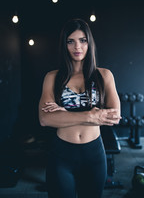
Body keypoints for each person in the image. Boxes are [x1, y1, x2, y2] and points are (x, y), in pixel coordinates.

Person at [38, 18, 121, 198]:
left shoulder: (104, 75)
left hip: (94, 156)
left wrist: (65, 113)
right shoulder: (52, 77)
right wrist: (91, 116)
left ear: (89, 43)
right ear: (64, 45)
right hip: (61, 156)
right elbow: (45, 119)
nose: (77, 47)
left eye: (82, 40)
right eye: (71, 41)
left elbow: (114, 116)